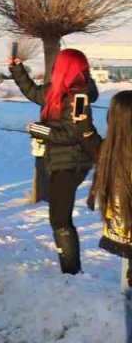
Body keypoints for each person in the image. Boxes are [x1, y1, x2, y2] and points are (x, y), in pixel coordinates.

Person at [9, 47, 99, 274]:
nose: (54, 67)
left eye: (59, 64)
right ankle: (70, 272)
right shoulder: (57, 91)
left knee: (60, 219)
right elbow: (33, 92)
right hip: (59, 160)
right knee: (58, 217)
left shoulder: (79, 97)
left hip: (73, 163)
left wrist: (39, 129)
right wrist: (17, 69)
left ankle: (71, 273)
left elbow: (72, 134)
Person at [86, 90, 131, 342]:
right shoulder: (114, 154)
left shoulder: (112, 152)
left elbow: (94, 145)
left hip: (125, 242)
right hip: (127, 244)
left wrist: (83, 126)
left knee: (128, 301)